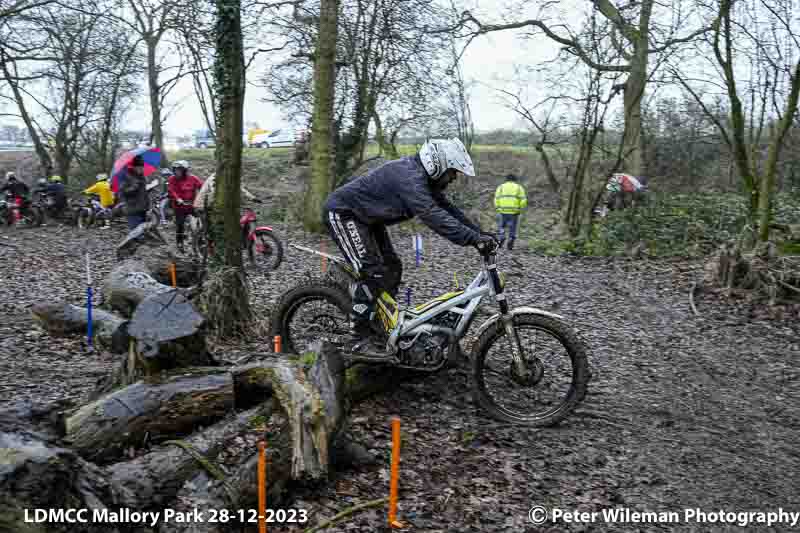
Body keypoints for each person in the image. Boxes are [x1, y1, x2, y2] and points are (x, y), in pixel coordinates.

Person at [323, 137, 497, 358]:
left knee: (393, 268)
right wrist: (473, 239)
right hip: (344, 213)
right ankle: (358, 338)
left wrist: (479, 233)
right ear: (438, 164)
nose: (453, 178)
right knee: (372, 272)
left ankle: (382, 324)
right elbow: (432, 215)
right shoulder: (410, 178)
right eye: (452, 172)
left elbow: (447, 209)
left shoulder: (422, 178)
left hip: (367, 219)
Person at [167, 160, 203, 252]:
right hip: (179, 206)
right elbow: (171, 190)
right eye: (175, 170)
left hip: (192, 205)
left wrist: (201, 198)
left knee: (201, 220)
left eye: (179, 170)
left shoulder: (193, 178)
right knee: (180, 224)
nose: (177, 172)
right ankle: (180, 242)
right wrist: (178, 199)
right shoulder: (172, 179)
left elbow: (202, 187)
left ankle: (200, 239)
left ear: (185, 171)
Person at [494, 173, 528, 251]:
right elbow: (523, 200)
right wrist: (520, 208)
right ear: (515, 180)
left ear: (506, 179)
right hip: (514, 212)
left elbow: (496, 199)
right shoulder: (519, 188)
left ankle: (502, 236)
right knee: (513, 228)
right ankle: (511, 239)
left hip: (502, 211)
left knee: (501, 226)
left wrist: (498, 208)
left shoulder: (501, 187)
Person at [119, 154, 149, 230]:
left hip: (143, 207)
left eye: (142, 167)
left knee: (142, 230)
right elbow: (122, 192)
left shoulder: (143, 177)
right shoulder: (126, 176)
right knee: (135, 231)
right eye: (139, 167)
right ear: (134, 167)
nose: (142, 169)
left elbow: (143, 192)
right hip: (132, 208)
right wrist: (133, 188)